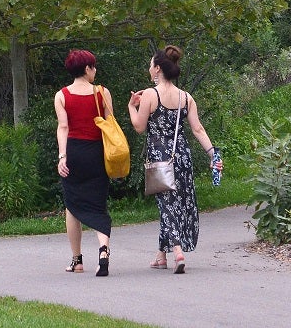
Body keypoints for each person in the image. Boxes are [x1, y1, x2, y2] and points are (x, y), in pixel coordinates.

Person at [127, 45, 222, 274]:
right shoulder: (185, 97)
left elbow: (139, 127)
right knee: (173, 202)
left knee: (166, 203)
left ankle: (177, 251)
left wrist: (132, 107)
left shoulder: (151, 94)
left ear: (158, 68)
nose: (149, 69)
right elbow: (198, 129)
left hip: (160, 157)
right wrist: (213, 155)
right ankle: (161, 255)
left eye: (151, 65)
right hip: (182, 155)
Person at [54, 49, 113, 276]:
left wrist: (62, 156)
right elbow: (109, 125)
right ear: (87, 69)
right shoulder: (102, 93)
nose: (95, 70)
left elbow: (63, 127)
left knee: (72, 205)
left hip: (74, 153)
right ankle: (104, 250)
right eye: (93, 67)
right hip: (97, 152)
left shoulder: (62, 95)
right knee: (98, 204)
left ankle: (77, 260)